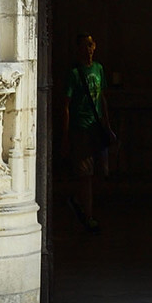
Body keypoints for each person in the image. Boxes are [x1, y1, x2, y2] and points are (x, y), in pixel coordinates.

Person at [62, 32, 114, 231]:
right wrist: (66, 135)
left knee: (102, 171)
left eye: (90, 45)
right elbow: (66, 105)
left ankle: (80, 201)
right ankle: (88, 215)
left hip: (97, 127)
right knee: (85, 174)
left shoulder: (98, 69)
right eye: (84, 45)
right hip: (81, 128)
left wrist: (107, 125)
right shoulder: (74, 74)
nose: (88, 49)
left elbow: (102, 97)